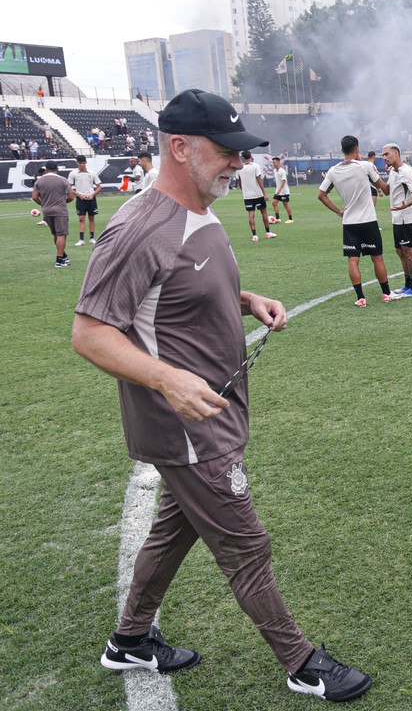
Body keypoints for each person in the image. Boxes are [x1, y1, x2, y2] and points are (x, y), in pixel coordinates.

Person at [71, 88, 372, 703]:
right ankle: (300, 662)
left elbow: (184, 288)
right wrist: (167, 379)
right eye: (227, 152)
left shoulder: (199, 214)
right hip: (185, 422)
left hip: (214, 410)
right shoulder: (139, 228)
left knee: (174, 529)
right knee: (245, 543)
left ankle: (128, 640)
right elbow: (90, 332)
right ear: (179, 148)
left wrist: (247, 300)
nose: (239, 164)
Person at [317, 135, 402, 307]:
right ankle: (386, 293)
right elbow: (384, 189)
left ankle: (360, 298)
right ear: (357, 148)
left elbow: (321, 195)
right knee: (377, 258)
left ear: (341, 150)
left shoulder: (333, 171)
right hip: (368, 220)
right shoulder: (366, 166)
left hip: (349, 222)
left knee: (353, 260)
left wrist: (339, 211)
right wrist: (396, 174)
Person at [380, 143, 412, 297]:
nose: (384, 157)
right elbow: (387, 190)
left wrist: (404, 204)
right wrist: (372, 178)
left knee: (409, 251)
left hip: (406, 218)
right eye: (383, 155)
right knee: (400, 251)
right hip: (397, 218)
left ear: (397, 154)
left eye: (387, 154)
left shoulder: (406, 172)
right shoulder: (393, 171)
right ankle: (407, 285)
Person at [32, 160, 74, 267]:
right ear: (57, 169)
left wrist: (43, 204)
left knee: (55, 234)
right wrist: (63, 202)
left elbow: (35, 197)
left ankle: (63, 255)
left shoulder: (39, 181)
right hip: (60, 210)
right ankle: (59, 260)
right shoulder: (63, 180)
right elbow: (71, 196)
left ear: (46, 169)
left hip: (47, 211)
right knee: (61, 235)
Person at [237, 150, 275, 241]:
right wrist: (264, 194)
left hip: (247, 196)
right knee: (264, 213)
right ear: (251, 156)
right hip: (257, 194)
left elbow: (239, 182)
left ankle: (254, 235)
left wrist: (244, 191)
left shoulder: (239, 168)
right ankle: (268, 233)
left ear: (242, 157)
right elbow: (259, 180)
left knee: (251, 214)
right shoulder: (255, 166)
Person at [68, 155, 101, 245]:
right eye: (80, 163)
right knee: (81, 218)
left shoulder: (92, 173)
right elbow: (69, 187)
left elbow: (99, 187)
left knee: (91, 217)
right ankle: (81, 239)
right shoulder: (73, 173)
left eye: (83, 163)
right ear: (77, 163)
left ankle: (92, 238)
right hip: (80, 198)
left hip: (91, 198)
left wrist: (93, 194)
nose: (82, 165)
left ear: (86, 163)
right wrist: (78, 194)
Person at [270, 156, 294, 223]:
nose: (273, 164)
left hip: (284, 191)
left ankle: (290, 219)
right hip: (278, 191)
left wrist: (279, 190)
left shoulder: (282, 171)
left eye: (274, 162)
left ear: (278, 162)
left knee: (285, 204)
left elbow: (283, 181)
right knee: (274, 203)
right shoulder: (275, 170)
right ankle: (278, 219)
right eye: (273, 162)